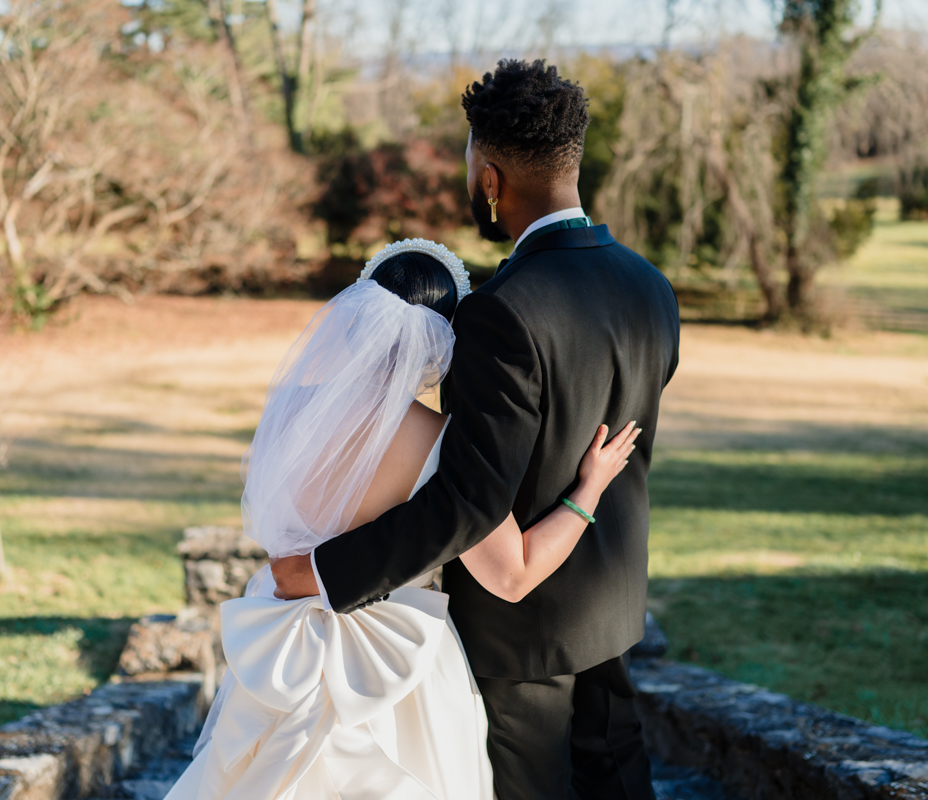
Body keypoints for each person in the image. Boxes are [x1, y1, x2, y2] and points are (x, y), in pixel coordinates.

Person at [272, 59, 681, 800]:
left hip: (518, 646)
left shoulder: (502, 311)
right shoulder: (651, 287)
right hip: (613, 610)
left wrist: (326, 573)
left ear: (489, 179)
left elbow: (466, 500)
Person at [163, 239, 642, 800]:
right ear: (441, 345)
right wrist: (589, 489)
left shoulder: (293, 408)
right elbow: (513, 575)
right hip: (395, 663)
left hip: (282, 642)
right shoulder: (440, 442)